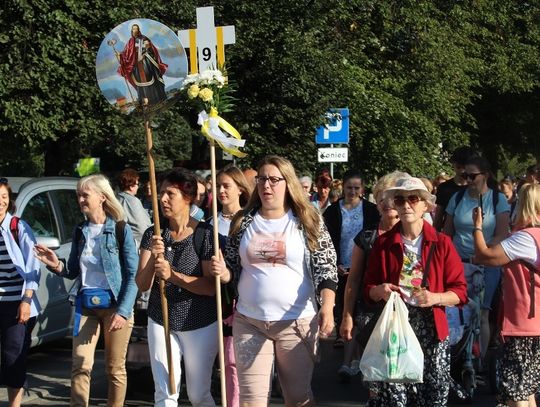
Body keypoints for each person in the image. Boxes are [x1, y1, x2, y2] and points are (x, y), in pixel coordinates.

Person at [210, 155, 338, 407]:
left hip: (296, 322)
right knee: (250, 401)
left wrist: (328, 307)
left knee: (298, 398)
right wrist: (225, 274)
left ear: (287, 182)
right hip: (250, 321)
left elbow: (326, 267)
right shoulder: (243, 221)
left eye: (274, 180)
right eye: (261, 179)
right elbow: (234, 268)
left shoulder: (308, 220)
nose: (266, 185)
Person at [34, 174, 138, 407]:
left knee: (114, 369)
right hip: (86, 306)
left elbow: (134, 275)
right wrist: (55, 264)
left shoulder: (120, 230)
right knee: (80, 366)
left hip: (116, 307)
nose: (80, 199)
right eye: (78, 195)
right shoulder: (80, 230)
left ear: (102, 197)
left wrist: (123, 311)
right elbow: (72, 270)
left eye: (85, 194)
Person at [363, 176, 467, 406]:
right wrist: (379, 290)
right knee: (394, 396)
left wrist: (435, 297)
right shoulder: (384, 243)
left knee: (433, 395)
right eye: (400, 200)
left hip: (432, 327)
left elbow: (460, 292)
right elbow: (368, 289)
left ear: (425, 205)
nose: (406, 205)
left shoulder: (441, 243)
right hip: (396, 326)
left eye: (413, 199)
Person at [136, 168, 218, 407]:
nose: (162, 199)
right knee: (165, 393)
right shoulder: (153, 233)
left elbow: (210, 288)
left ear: (188, 198)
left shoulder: (205, 234)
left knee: (197, 395)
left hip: (199, 322)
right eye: (161, 193)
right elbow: (142, 285)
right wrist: (154, 256)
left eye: (170, 194)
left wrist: (173, 276)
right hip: (161, 320)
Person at [472, 183, 540, 407]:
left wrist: (478, 227)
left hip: (523, 324)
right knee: (527, 388)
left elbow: (485, 256)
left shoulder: (525, 239)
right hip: (535, 324)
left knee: (516, 391)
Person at [339, 171, 407, 380]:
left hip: (406, 316)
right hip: (371, 313)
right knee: (376, 377)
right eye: (381, 198)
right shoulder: (367, 237)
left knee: (401, 374)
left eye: (392, 198)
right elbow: (354, 279)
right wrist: (347, 317)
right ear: (376, 203)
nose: (387, 203)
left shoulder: (414, 236)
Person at [443, 155, 510, 364]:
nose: (468, 180)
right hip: (458, 262)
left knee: (481, 312)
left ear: (485, 175)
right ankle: (457, 355)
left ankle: (478, 360)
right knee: (457, 309)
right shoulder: (457, 198)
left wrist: (482, 252)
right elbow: (447, 231)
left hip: (486, 263)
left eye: (473, 176)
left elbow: (501, 234)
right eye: (465, 175)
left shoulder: (498, 200)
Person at [323, 170, 379, 354]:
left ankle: (360, 334)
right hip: (341, 261)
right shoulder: (332, 211)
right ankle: (342, 330)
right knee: (341, 298)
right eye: (349, 188)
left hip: (363, 261)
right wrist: (334, 262)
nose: (352, 192)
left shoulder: (371, 210)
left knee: (360, 299)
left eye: (356, 188)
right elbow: (328, 238)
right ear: (342, 188)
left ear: (362, 189)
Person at [210, 164, 252, 407]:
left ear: (240, 190)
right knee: (227, 361)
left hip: (244, 298)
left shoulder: (250, 221)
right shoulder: (209, 224)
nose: (221, 191)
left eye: (226, 186)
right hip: (219, 301)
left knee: (241, 362)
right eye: (218, 186)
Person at [0, 178, 40, 407]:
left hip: (17, 303)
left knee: (12, 356)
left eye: (4, 197)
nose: (1, 202)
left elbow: (34, 267)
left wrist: (26, 300)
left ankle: (14, 404)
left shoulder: (18, 227)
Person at [116, 24, 168, 106]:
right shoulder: (130, 42)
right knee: (139, 83)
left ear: (139, 30)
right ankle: (144, 103)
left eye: (136, 29)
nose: (135, 31)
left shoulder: (144, 38)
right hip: (136, 65)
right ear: (131, 31)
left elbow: (151, 49)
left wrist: (143, 55)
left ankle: (156, 101)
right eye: (133, 29)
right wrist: (120, 55)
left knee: (151, 80)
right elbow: (126, 54)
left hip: (146, 63)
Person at [433, 147, 478, 231]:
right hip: (449, 235)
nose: (462, 171)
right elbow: (438, 218)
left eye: (465, 167)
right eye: (459, 167)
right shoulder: (444, 188)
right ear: (453, 164)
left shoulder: (477, 188)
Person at [117, 168, 152, 247]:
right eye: (137, 184)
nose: (138, 187)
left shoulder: (117, 199)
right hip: (136, 245)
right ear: (131, 186)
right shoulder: (132, 201)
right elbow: (142, 227)